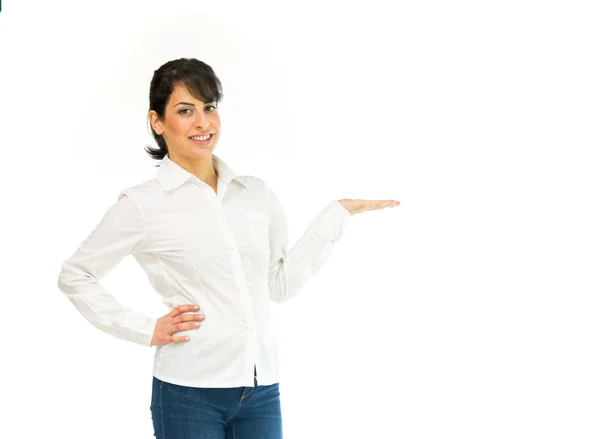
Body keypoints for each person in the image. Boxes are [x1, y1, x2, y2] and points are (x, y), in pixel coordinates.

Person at [57, 57, 400, 439]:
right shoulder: (142, 204)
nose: (203, 122)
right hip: (188, 393)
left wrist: (334, 216)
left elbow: (279, 286)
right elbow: (76, 275)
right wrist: (146, 329)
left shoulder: (255, 194)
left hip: (262, 390)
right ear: (157, 122)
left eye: (210, 107)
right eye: (185, 111)